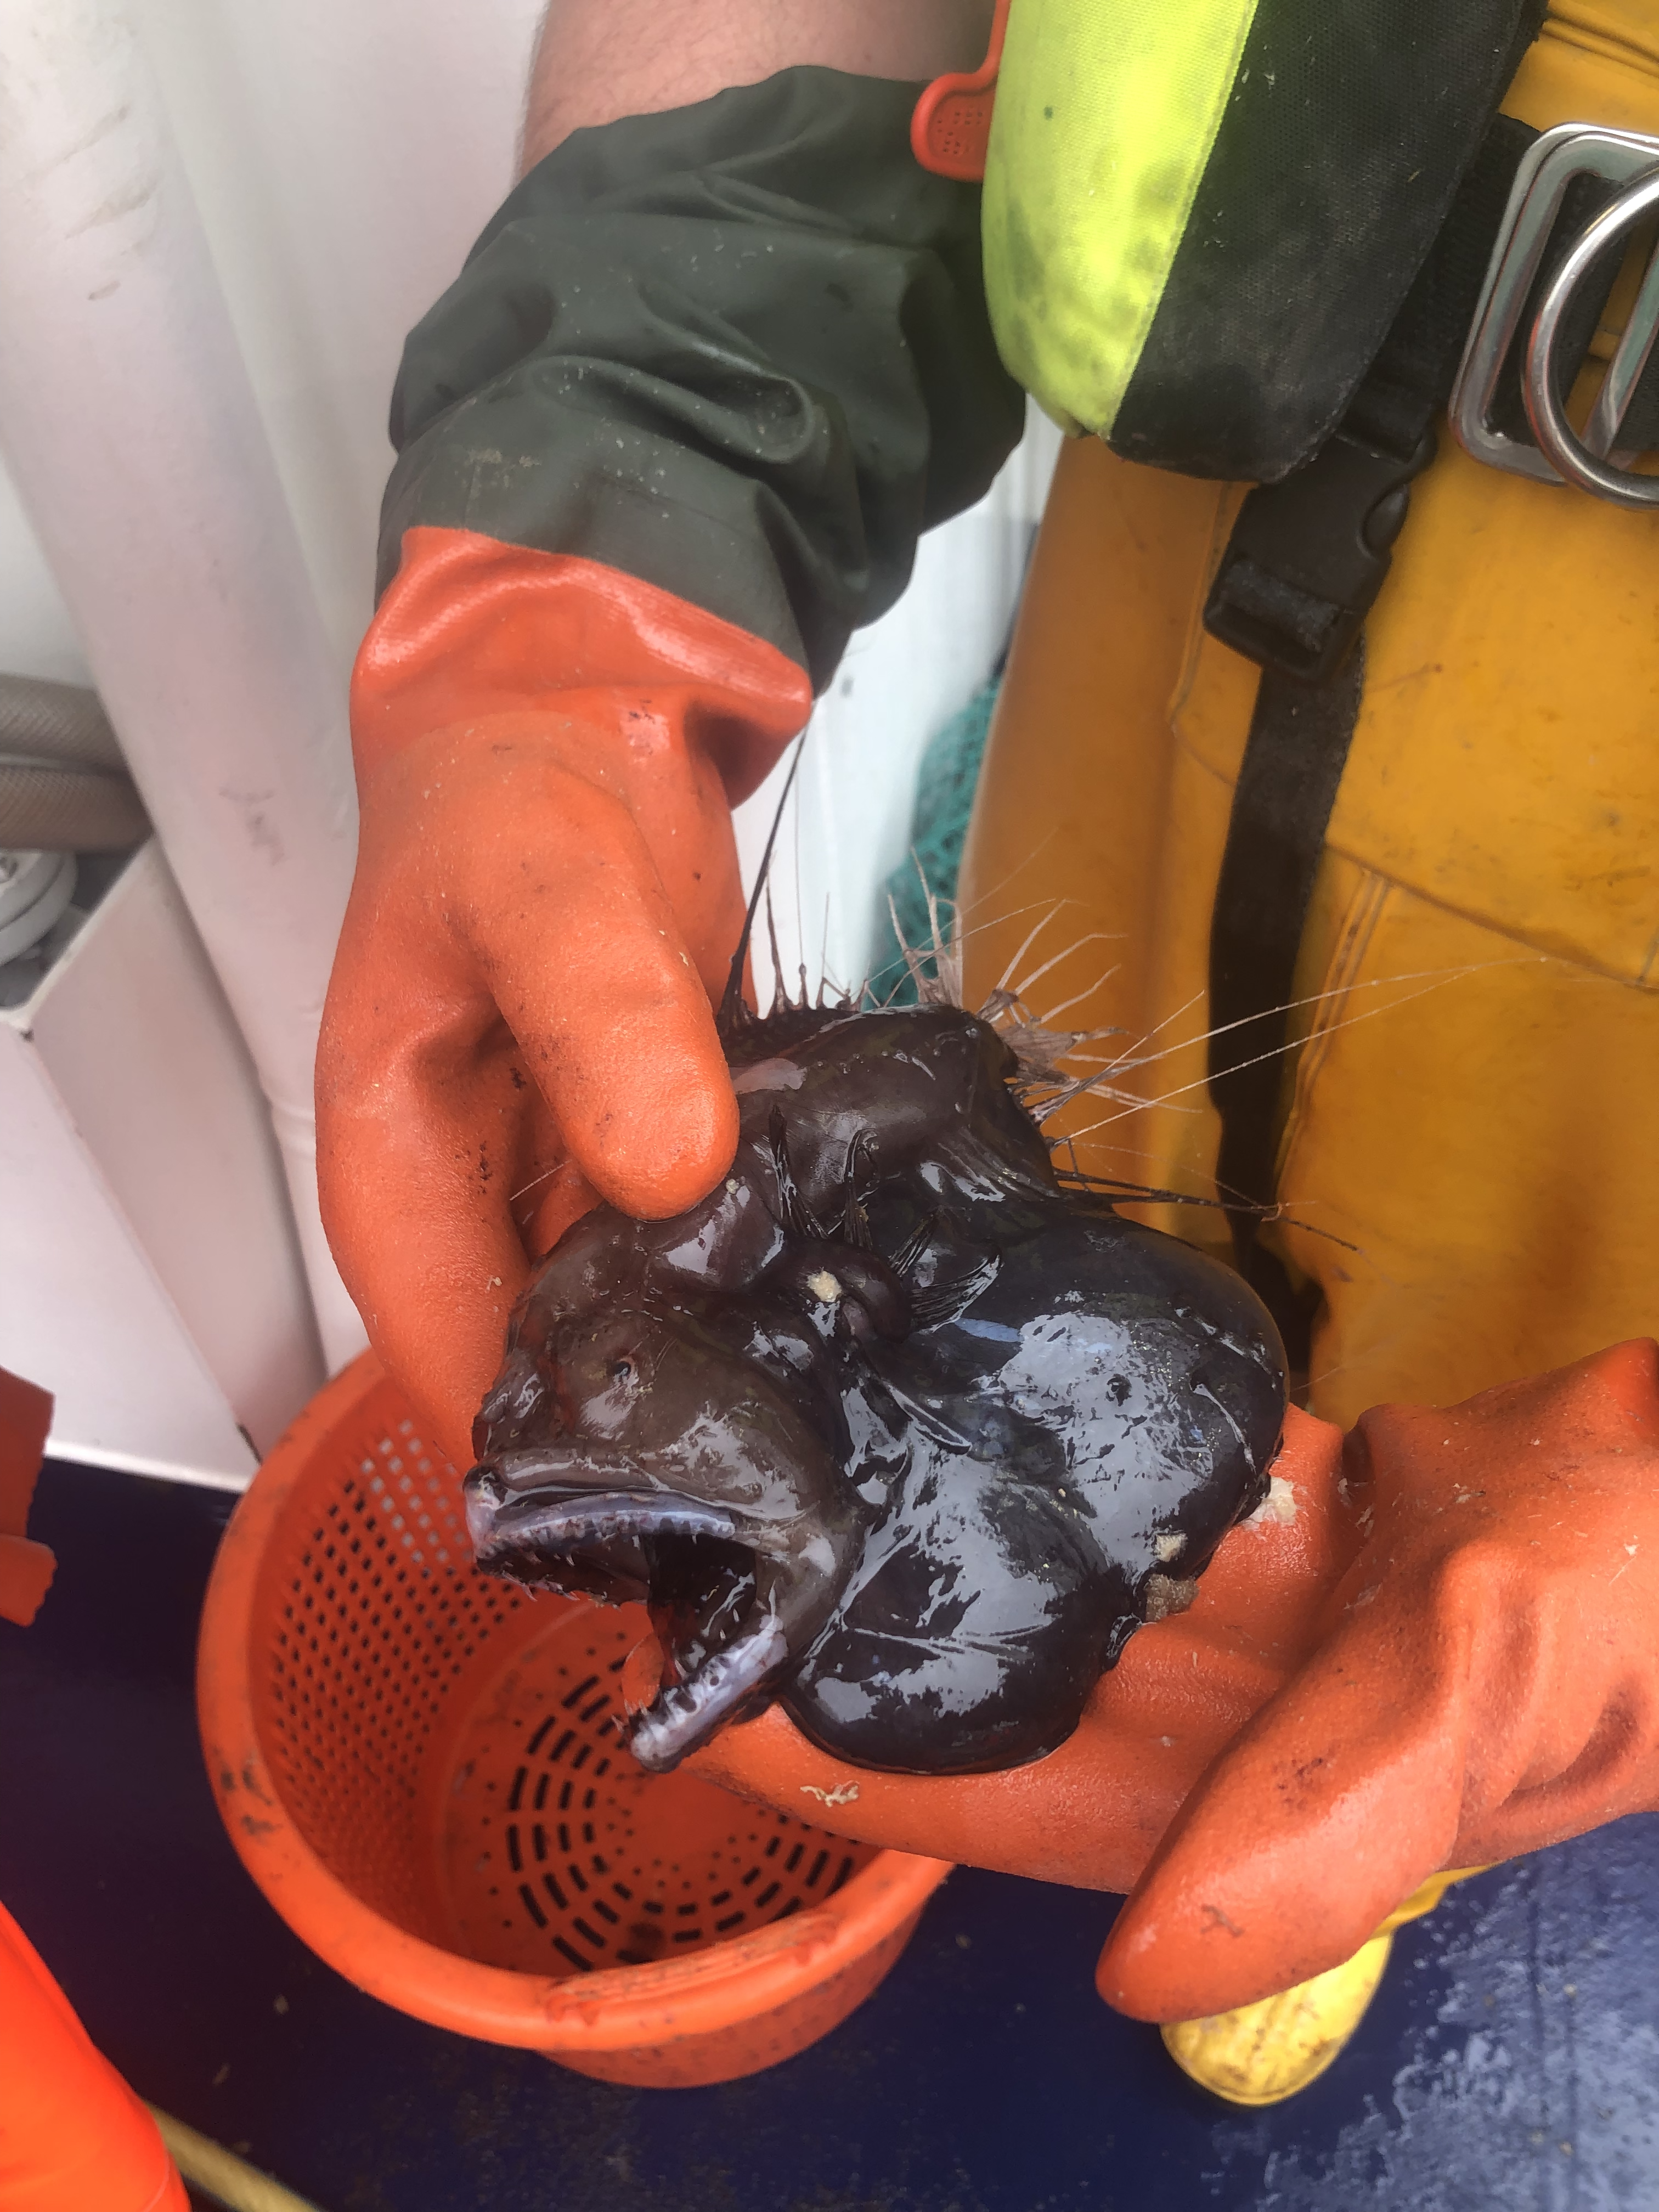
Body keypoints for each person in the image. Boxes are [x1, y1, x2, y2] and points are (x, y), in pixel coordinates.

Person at [315, 0, 1659, 2104]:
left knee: (1489, 1598)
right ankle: (1325, 1808)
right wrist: (610, 480)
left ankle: (1387, 1850)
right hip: (1187, 679)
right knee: (1058, 1189)